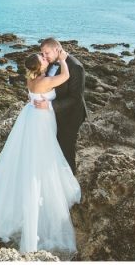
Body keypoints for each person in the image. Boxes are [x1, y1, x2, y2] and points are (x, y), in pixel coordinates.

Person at [0, 49, 81, 254]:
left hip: (33, 117)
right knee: (42, 158)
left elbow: (41, 91)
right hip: (41, 122)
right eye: (43, 59)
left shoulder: (33, 79)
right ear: (40, 66)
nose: (45, 59)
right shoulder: (43, 81)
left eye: (45, 56)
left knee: (35, 156)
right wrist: (62, 60)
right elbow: (66, 76)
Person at [34, 38, 87, 174]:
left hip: (70, 117)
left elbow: (76, 98)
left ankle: (71, 184)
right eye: (42, 54)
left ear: (57, 50)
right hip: (52, 115)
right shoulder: (50, 64)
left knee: (66, 151)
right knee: (53, 150)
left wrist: (50, 105)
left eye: (46, 53)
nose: (44, 57)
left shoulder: (75, 67)